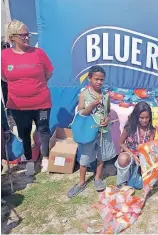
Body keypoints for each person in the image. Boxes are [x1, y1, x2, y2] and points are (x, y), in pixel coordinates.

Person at [1, 20, 54, 175]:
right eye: (22, 35)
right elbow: (4, 78)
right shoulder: (3, 56)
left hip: (42, 102)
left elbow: (48, 73)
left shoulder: (39, 53)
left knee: (43, 129)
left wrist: (35, 87)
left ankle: (45, 157)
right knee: (24, 132)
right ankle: (29, 159)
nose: (26, 38)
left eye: (27, 34)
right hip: (18, 105)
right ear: (12, 38)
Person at [67, 66, 116, 198]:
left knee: (101, 154)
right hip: (89, 132)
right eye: (96, 79)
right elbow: (80, 113)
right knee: (85, 157)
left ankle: (98, 178)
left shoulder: (105, 94)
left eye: (102, 79)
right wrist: (90, 107)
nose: (99, 82)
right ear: (89, 78)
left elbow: (108, 110)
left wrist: (107, 118)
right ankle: (81, 182)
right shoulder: (84, 94)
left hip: (103, 131)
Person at [115, 101, 155, 187]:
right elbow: (121, 143)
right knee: (122, 159)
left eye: (147, 117)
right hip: (131, 153)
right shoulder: (129, 127)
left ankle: (140, 175)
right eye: (141, 118)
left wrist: (146, 159)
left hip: (143, 156)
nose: (144, 120)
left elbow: (150, 148)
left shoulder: (151, 130)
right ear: (136, 117)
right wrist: (133, 156)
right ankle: (122, 183)